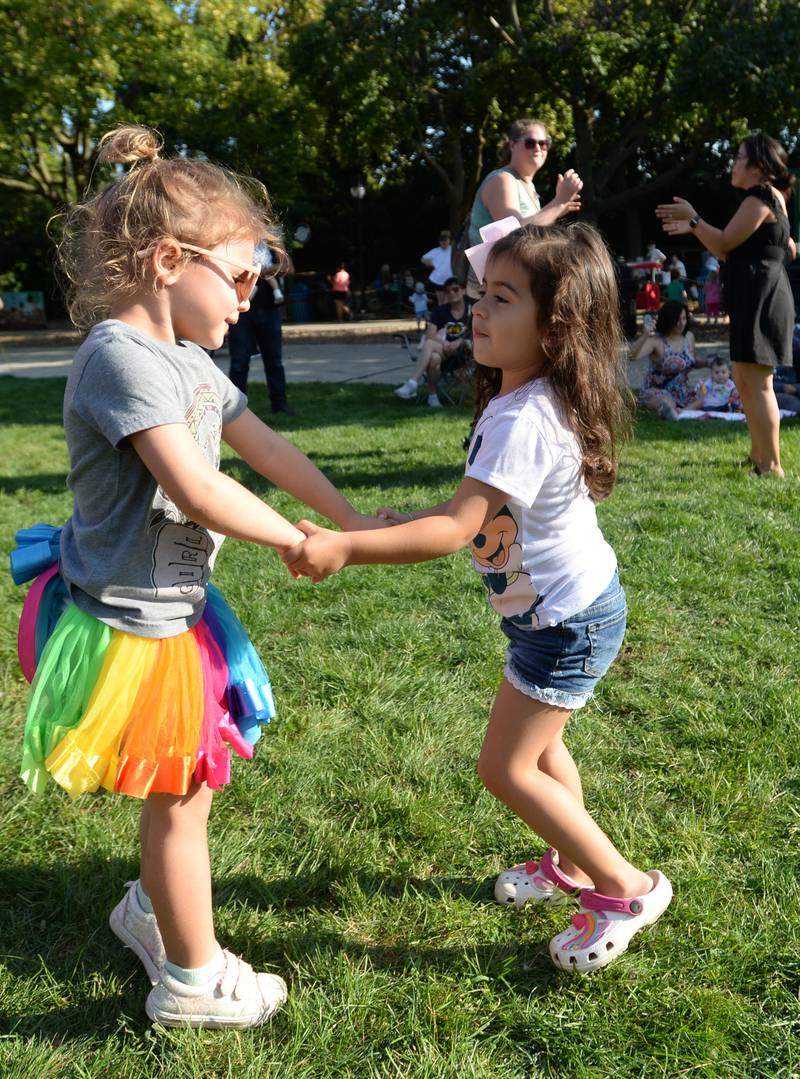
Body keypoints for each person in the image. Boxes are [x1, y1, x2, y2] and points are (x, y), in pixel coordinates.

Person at [10, 124, 382, 1029]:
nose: (253, 298)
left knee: (191, 788)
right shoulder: (118, 357)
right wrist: (298, 543)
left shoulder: (192, 363)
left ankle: (150, 907)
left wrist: (349, 520)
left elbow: (266, 447)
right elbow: (200, 486)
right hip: (133, 625)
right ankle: (189, 976)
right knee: (180, 801)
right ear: (172, 260)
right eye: (244, 275)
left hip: (177, 608)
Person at [284, 220, 673, 974]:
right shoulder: (525, 397)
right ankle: (570, 861)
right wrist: (409, 521)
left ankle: (625, 885)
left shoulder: (524, 415)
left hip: (567, 623)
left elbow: (459, 527)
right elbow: (479, 513)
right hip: (561, 615)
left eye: (500, 298)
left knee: (506, 767)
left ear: (555, 327)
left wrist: (347, 546)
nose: (477, 312)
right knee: (543, 749)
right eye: (477, 295)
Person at [657, 132, 797, 476]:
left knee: (757, 379)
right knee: (745, 376)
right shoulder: (767, 198)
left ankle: (772, 465)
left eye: (738, 157)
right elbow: (743, 247)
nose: (732, 163)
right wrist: (695, 228)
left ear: (758, 165)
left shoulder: (760, 196)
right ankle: (758, 455)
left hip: (761, 297)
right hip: (756, 294)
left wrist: (693, 220)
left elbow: (723, 244)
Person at [465, 118, 583, 299]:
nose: (538, 148)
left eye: (544, 143)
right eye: (530, 143)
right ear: (512, 145)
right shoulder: (502, 179)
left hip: (511, 291)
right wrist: (558, 203)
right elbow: (513, 233)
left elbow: (532, 238)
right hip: (491, 297)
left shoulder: (529, 187)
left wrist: (558, 207)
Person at [227, 242, 294, 415]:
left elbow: (288, 268)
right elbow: (231, 270)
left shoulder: (273, 243)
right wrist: (268, 270)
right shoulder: (237, 242)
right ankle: (235, 410)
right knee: (239, 363)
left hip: (269, 310)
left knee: (274, 362)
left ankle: (280, 405)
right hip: (242, 312)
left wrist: (261, 270)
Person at [394, 277, 471, 408]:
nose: (451, 293)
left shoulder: (472, 311)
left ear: (463, 290)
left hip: (464, 354)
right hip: (444, 353)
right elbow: (430, 334)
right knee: (434, 358)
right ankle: (433, 397)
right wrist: (444, 343)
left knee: (429, 345)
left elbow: (477, 333)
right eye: (447, 291)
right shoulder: (440, 311)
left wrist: (459, 341)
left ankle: (413, 383)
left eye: (455, 289)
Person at [629, 300, 705, 419]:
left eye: (684, 319)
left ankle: (680, 413)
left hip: (682, 390)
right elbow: (632, 356)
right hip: (657, 390)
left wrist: (708, 363)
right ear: (668, 320)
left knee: (704, 399)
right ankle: (672, 411)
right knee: (667, 402)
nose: (681, 323)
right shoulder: (656, 341)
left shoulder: (689, 337)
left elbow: (691, 361)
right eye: (677, 320)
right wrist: (645, 335)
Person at [420, 231, 454, 306]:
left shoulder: (453, 250)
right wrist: (433, 264)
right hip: (438, 279)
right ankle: (441, 316)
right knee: (440, 301)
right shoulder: (435, 251)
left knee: (447, 300)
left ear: (449, 240)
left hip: (450, 279)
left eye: (445, 240)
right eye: (442, 241)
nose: (444, 242)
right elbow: (423, 259)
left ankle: (445, 316)